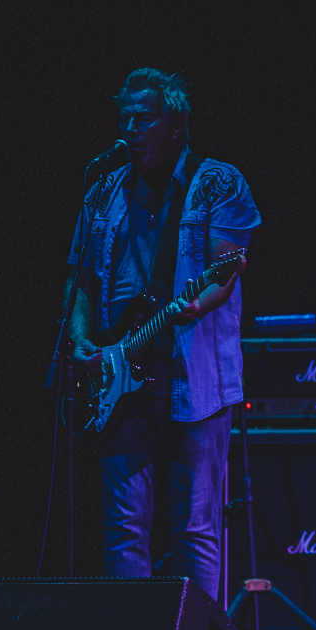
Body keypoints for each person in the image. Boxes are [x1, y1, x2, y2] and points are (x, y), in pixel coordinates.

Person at [64, 68, 259, 601]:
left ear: (175, 124)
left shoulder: (219, 183)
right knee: (124, 531)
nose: (130, 128)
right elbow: (81, 278)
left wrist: (200, 301)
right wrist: (82, 339)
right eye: (124, 118)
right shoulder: (104, 189)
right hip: (118, 378)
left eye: (143, 119)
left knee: (195, 528)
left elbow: (224, 270)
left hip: (195, 383)